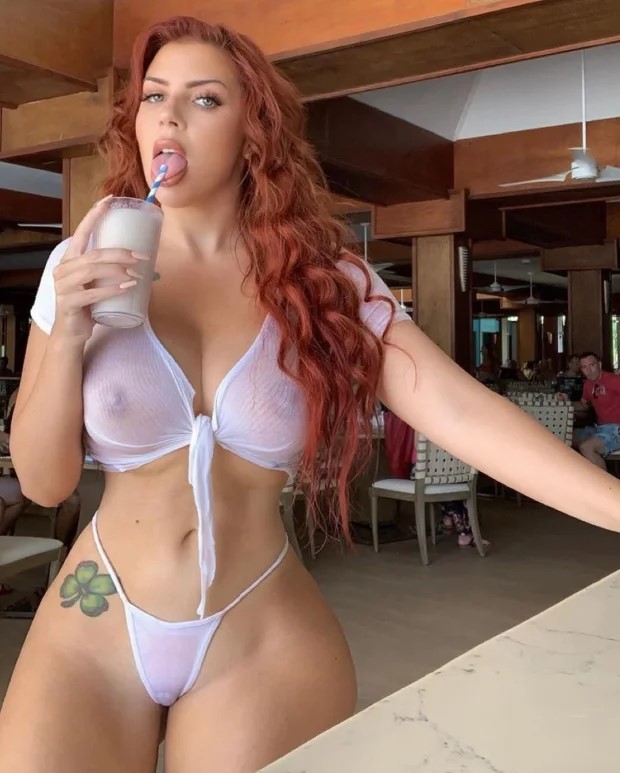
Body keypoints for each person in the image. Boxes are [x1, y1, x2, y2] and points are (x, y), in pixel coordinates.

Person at [2, 16, 620, 772]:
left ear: (252, 130)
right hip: (95, 620)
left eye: (204, 99)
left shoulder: (325, 284)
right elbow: (44, 482)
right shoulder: (81, 263)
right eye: (154, 96)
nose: (169, 116)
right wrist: (68, 328)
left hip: (258, 629)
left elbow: (461, 411)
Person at [572, 352, 620, 469]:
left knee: (586, 447)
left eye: (592, 365)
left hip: (616, 429)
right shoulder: (588, 385)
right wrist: (566, 402)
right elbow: (583, 406)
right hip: (601, 428)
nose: (589, 370)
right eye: (584, 367)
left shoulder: (613, 380)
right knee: (565, 437)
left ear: (599, 364)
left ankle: (604, 481)